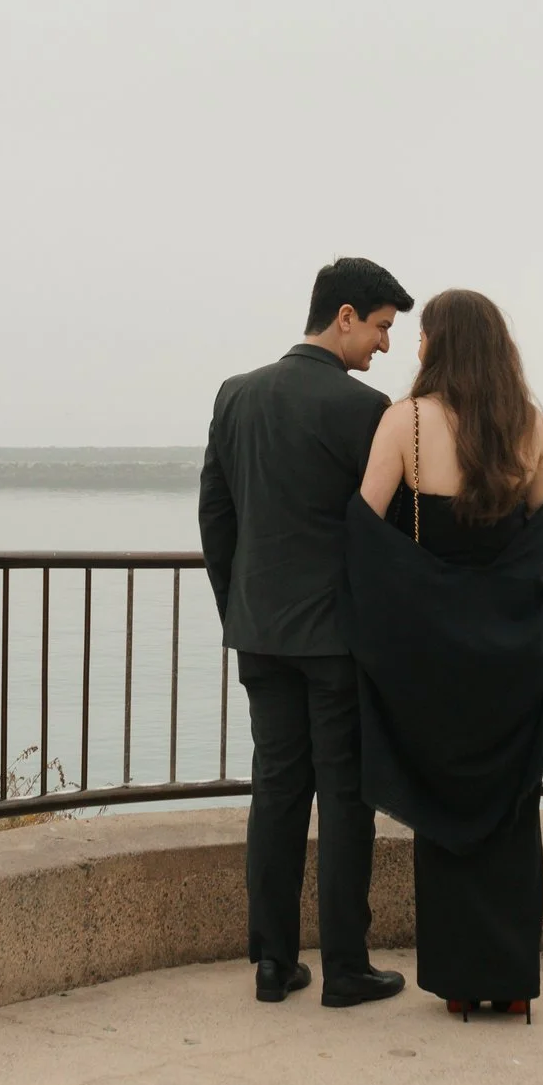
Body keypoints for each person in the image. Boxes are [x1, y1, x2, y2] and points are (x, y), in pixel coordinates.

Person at [343, 288, 543, 1019]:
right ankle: (514, 980)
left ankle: (459, 981)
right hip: (513, 651)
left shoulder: (406, 423)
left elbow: (362, 529)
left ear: (443, 343)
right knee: (514, 811)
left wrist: (404, 610)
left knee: (442, 804)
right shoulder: (531, 425)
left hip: (435, 655)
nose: (416, 347)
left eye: (423, 335)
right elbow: (536, 533)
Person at [199, 258, 415, 1008]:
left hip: (259, 632)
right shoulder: (366, 411)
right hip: (337, 639)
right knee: (345, 796)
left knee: (277, 789)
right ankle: (346, 967)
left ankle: (272, 961)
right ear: (347, 315)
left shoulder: (237, 395)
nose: (386, 345)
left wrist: (240, 607)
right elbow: (385, 531)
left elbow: (216, 518)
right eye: (384, 327)